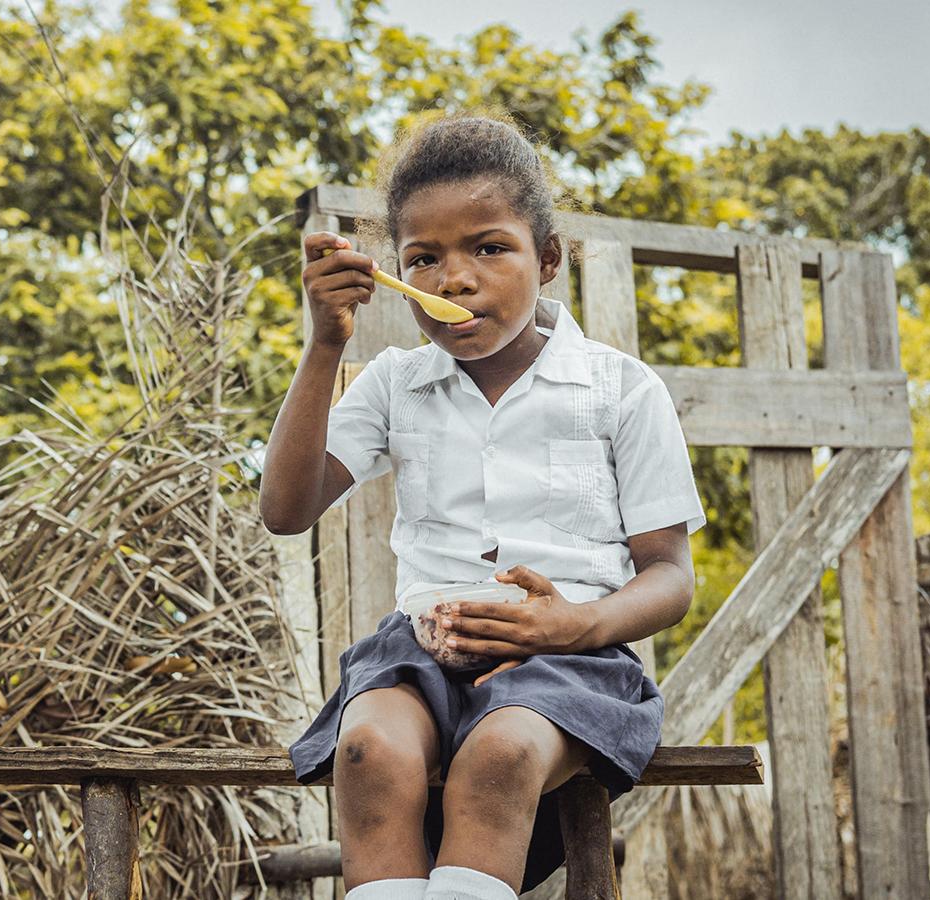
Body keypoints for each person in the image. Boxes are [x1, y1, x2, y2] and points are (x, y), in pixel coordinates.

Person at [258, 112, 705, 900]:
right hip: (418, 655)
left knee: (500, 755)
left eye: (489, 248)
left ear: (548, 258)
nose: (453, 280)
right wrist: (326, 342)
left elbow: (670, 575)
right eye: (423, 259)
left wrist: (575, 624)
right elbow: (286, 510)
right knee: (367, 751)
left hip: (571, 661)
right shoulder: (395, 383)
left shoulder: (621, 390)